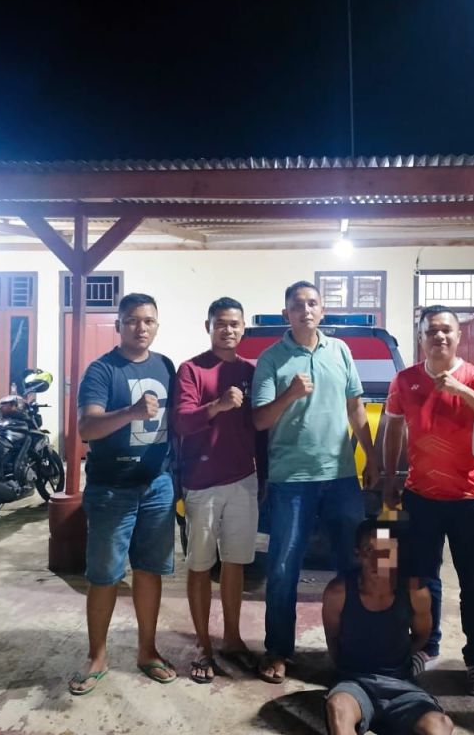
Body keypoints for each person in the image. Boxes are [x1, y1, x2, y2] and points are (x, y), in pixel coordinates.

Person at [252, 280, 379, 684]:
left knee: (356, 565)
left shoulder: (340, 350)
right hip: (292, 480)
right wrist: (289, 395)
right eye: (297, 304)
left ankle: (354, 648)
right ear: (286, 313)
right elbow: (260, 420)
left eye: (312, 303)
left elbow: (355, 407)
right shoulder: (271, 359)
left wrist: (372, 456)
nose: (305, 310)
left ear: (322, 310)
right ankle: (278, 649)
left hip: (341, 477)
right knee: (283, 568)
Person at [381, 305, 474, 696]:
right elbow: (393, 428)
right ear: (420, 337)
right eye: (431, 330)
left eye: (446, 330)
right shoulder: (405, 380)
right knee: (422, 580)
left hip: (467, 498)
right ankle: (427, 646)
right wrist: (390, 477)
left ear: (458, 336)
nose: (439, 336)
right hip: (420, 495)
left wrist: (461, 391)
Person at [68, 293, 178, 694]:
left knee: (150, 570)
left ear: (157, 325)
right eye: (132, 320)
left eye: (148, 320)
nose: (140, 327)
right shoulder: (101, 370)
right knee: (105, 576)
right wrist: (131, 412)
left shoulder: (166, 366)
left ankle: (147, 651)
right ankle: (97, 656)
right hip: (111, 490)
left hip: (157, 487)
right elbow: (87, 428)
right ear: (119, 325)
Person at [171, 297, 260, 684]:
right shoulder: (191, 369)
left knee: (236, 563)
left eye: (234, 324)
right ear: (208, 326)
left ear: (243, 329)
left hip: (243, 479)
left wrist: (263, 478)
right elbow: (181, 422)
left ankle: (233, 638)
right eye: (221, 323)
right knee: (200, 565)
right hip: (202, 482)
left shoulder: (252, 371)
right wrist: (218, 406)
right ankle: (203, 645)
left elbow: (261, 429)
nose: (228, 330)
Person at [322, 519, 454, 735]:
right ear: (358, 553)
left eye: (385, 551)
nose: (377, 559)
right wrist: (348, 670)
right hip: (355, 683)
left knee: (440, 724)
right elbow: (333, 638)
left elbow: (422, 635)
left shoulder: (415, 593)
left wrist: (397, 659)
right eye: (369, 550)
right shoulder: (338, 592)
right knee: (338, 708)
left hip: (401, 684)